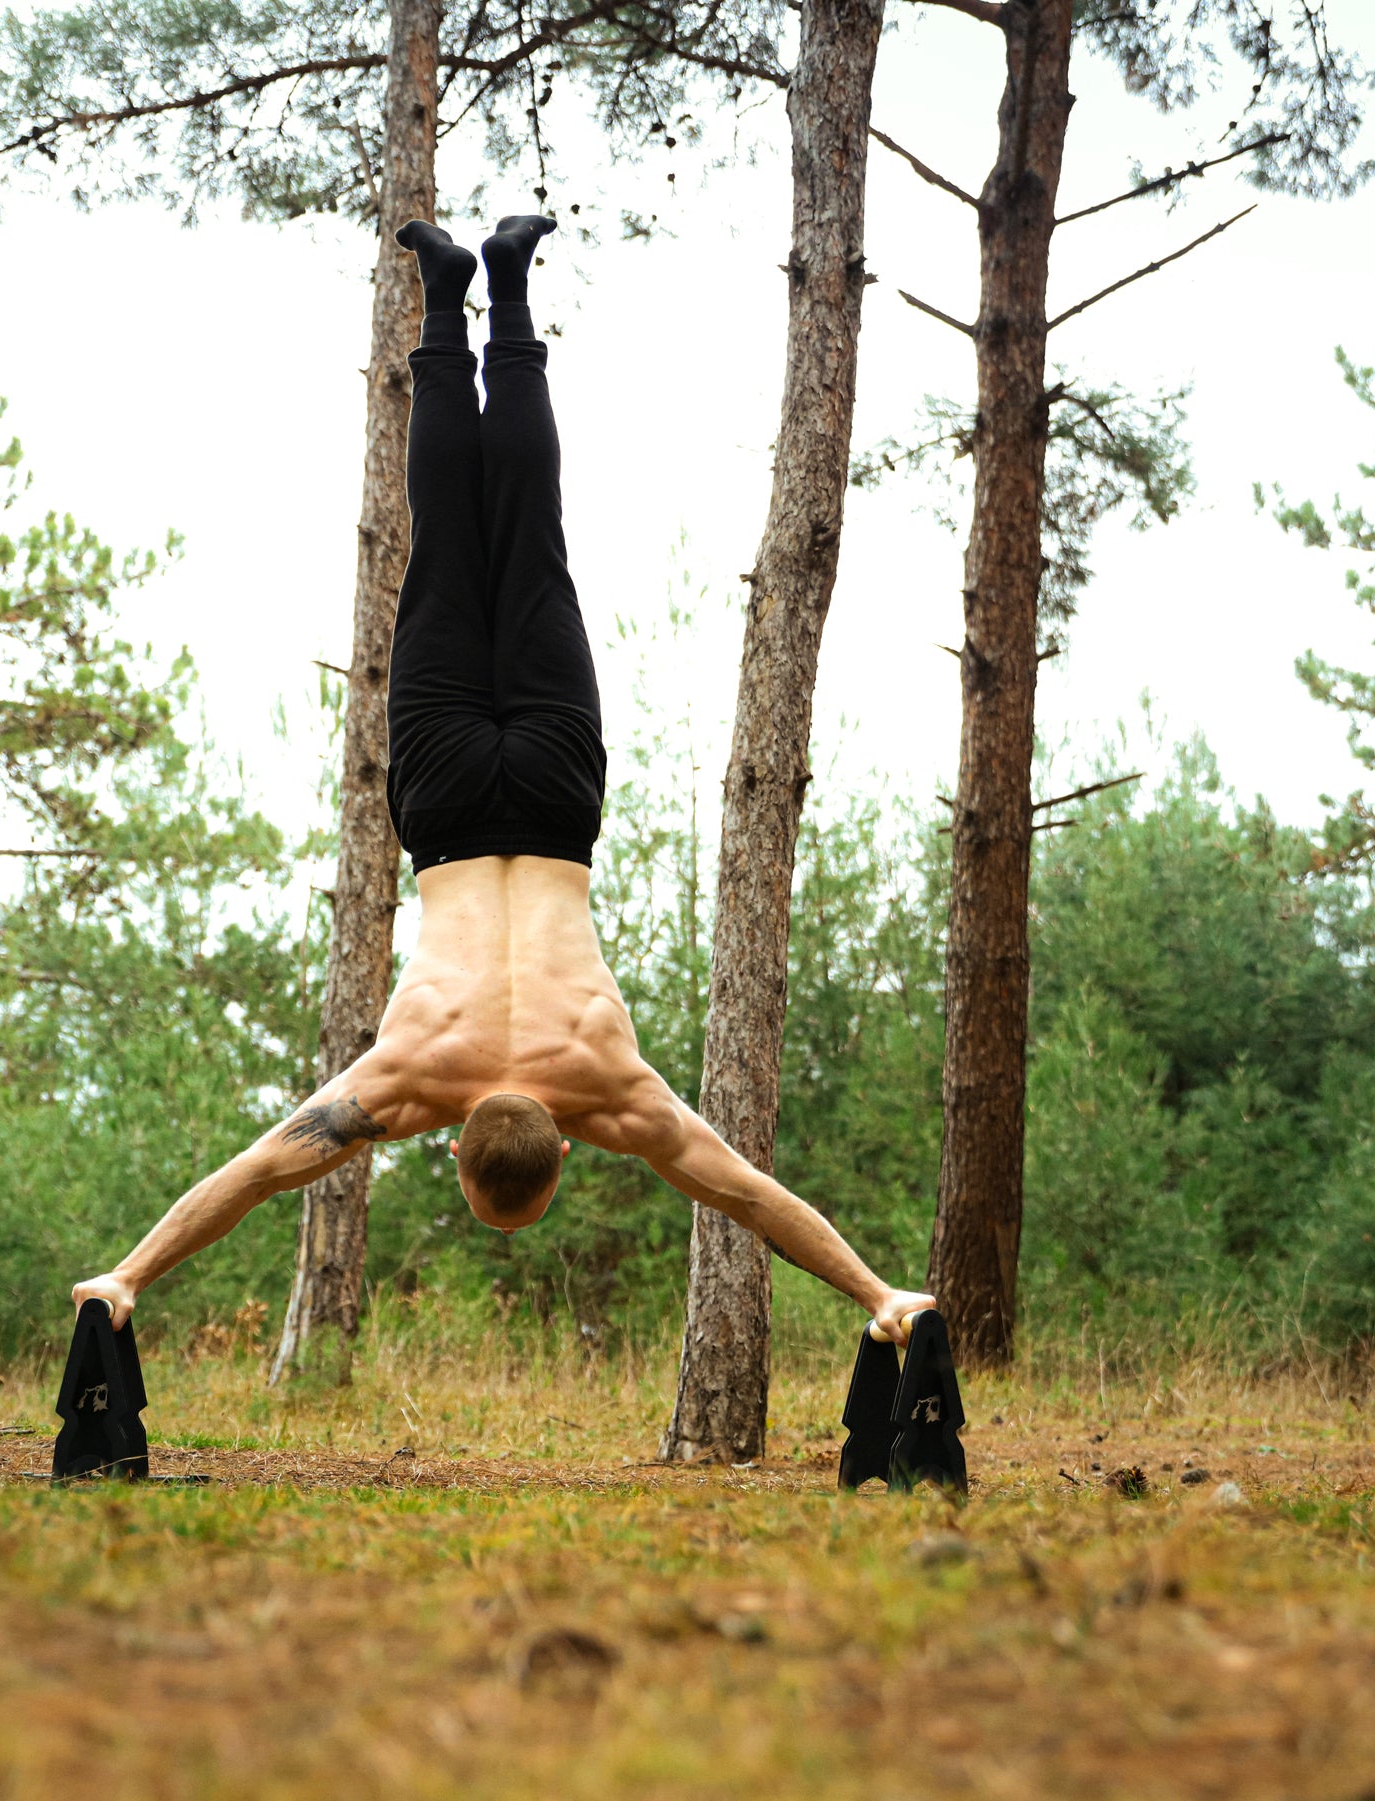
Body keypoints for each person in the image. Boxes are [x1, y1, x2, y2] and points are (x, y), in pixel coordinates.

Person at [73, 216, 934, 1344]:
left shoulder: (604, 1086)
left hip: (554, 798)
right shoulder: (411, 1080)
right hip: (442, 805)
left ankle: (511, 287)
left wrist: (882, 1293)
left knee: (531, 540)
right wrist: (126, 1274)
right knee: (443, 540)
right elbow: (258, 1172)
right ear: (456, 1148)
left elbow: (749, 1195)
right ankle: (447, 294)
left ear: (559, 1149)